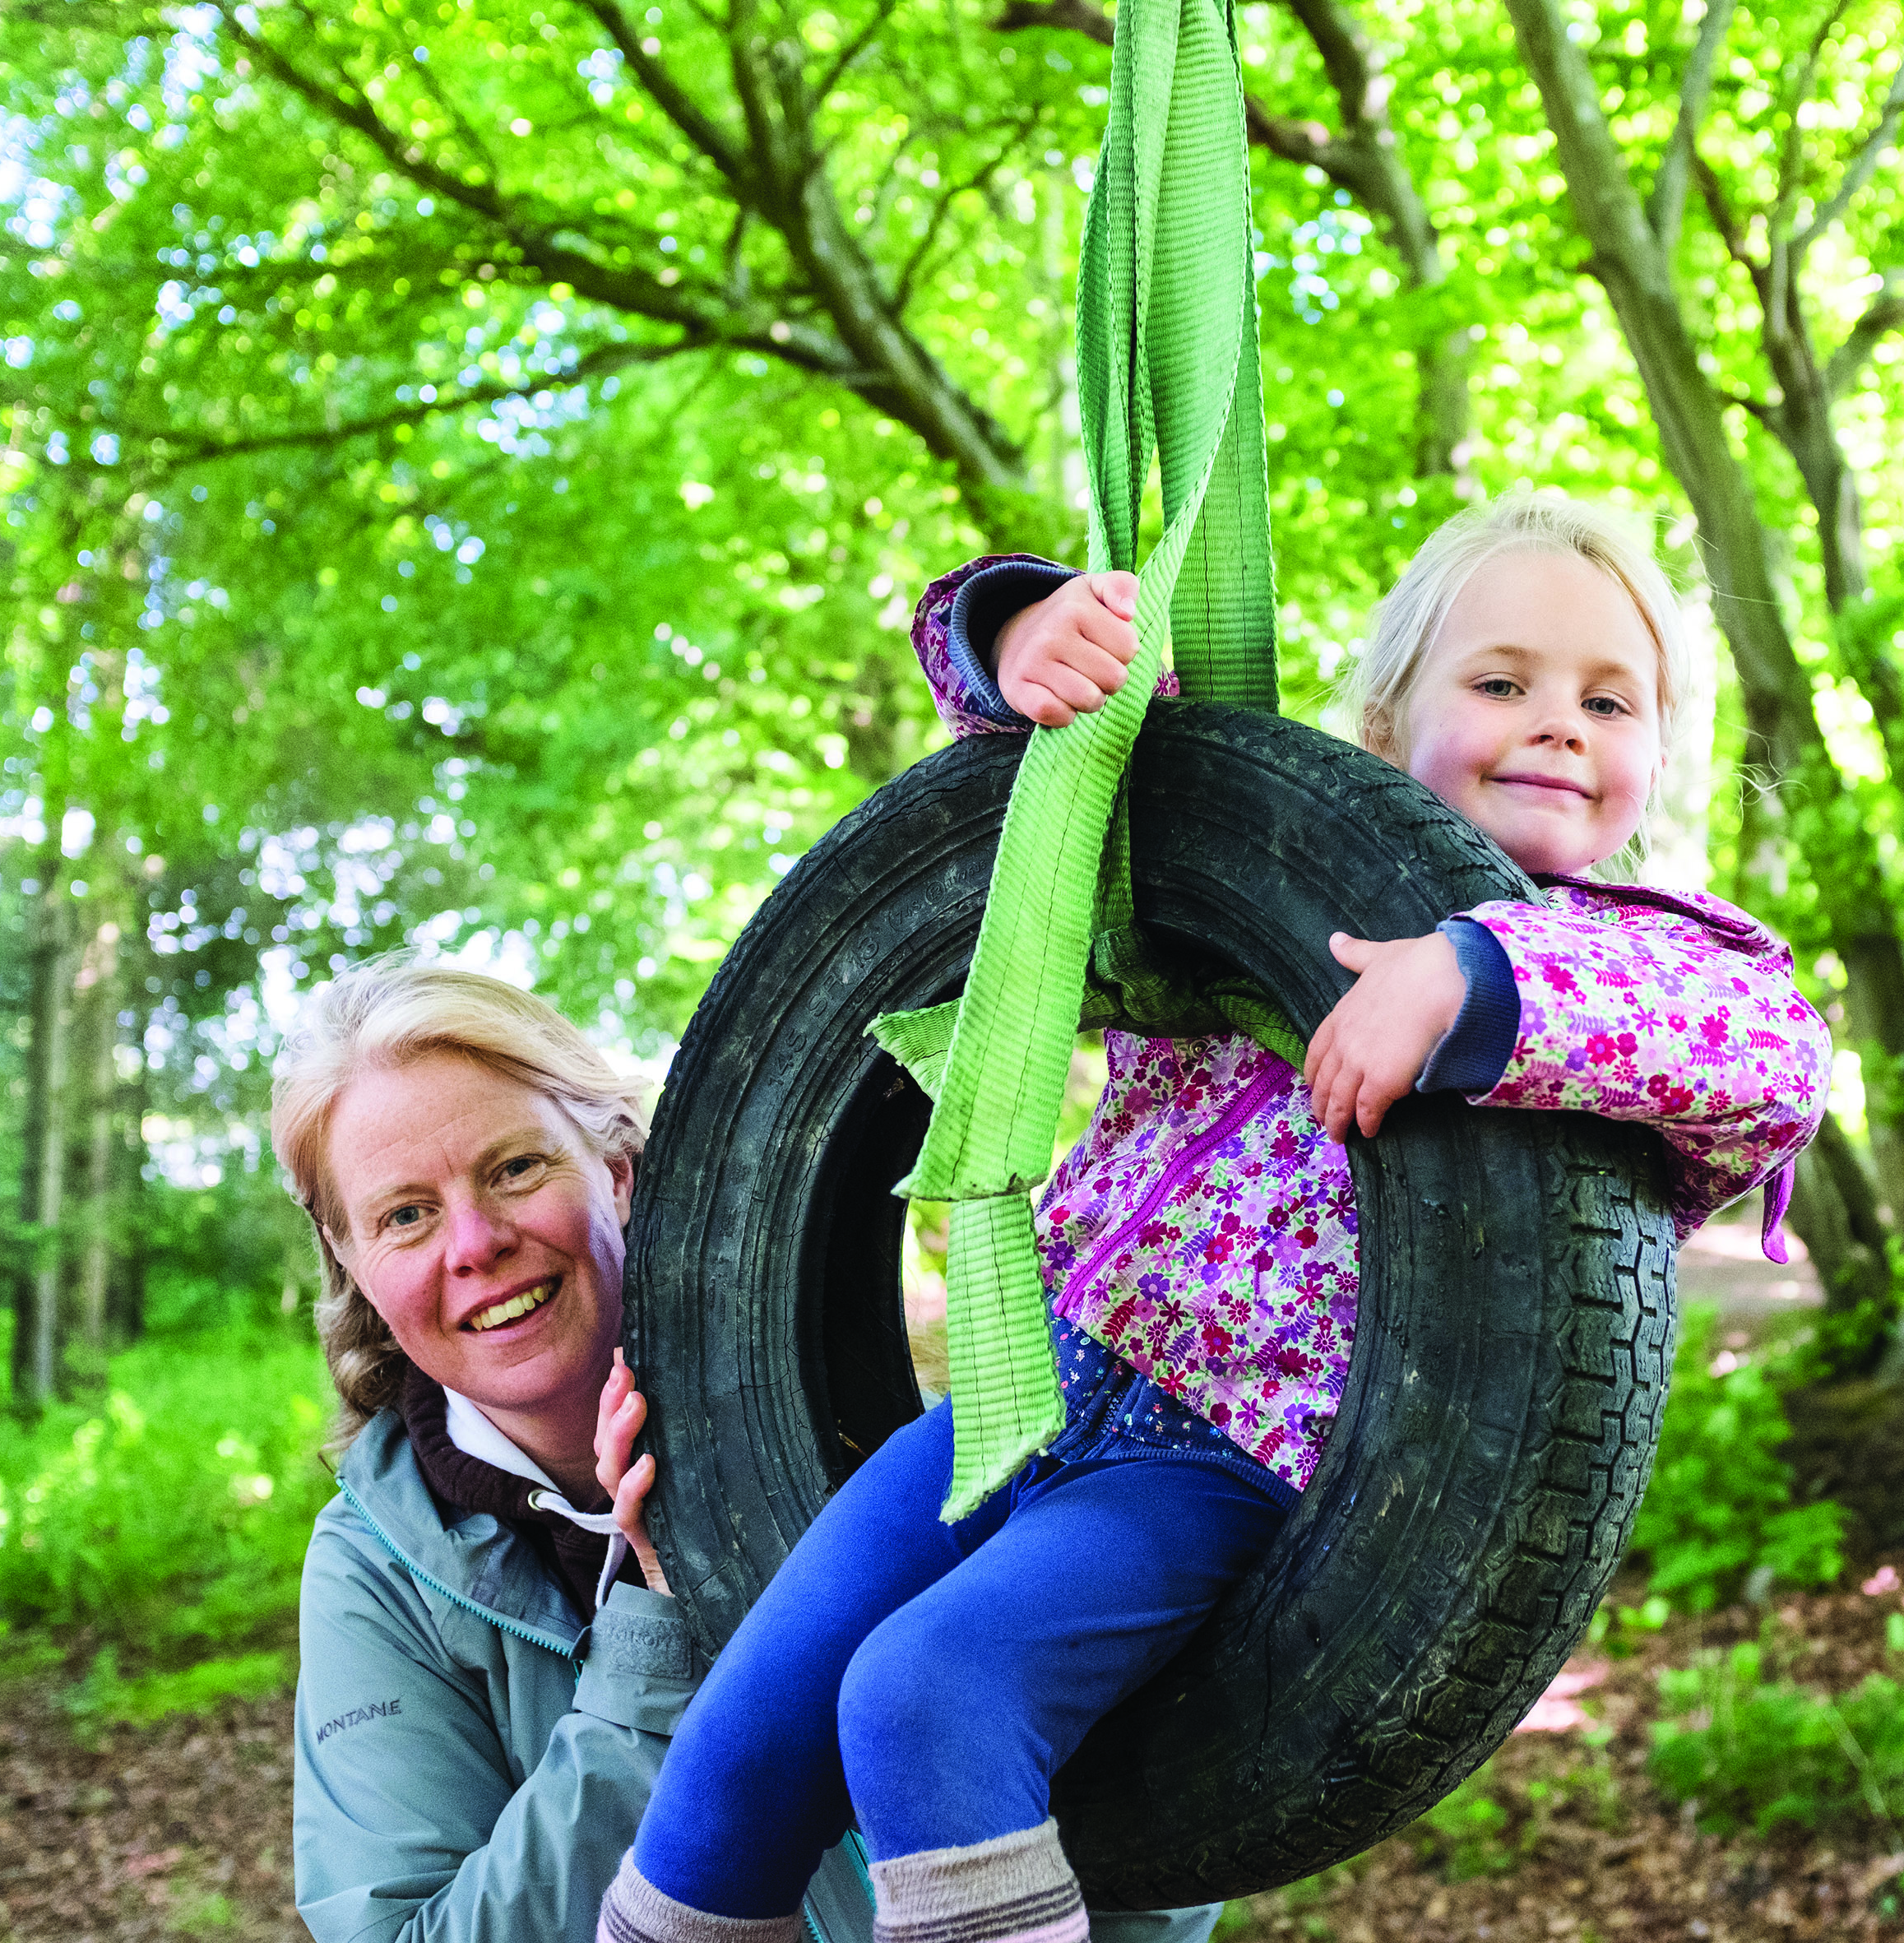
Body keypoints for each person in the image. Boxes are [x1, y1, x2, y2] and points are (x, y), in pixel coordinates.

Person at [599, 494, 1834, 1943]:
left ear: (1655, 755)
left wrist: (1472, 981)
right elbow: (1078, 766)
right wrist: (1022, 632)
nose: (1556, 724)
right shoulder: (1252, 865)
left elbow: (1769, 1053)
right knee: (754, 1712)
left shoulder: (1634, 957)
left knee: (927, 1690)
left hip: (1222, 1465)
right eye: (1499, 682)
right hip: (1022, 1385)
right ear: (1382, 723)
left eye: (1607, 699)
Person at [276, 958, 1223, 1943]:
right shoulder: (379, 1567)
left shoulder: (905, 1424)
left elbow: (1152, 1828)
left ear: (617, 1170)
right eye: (405, 1215)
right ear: (352, 1260)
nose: (473, 1242)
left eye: (515, 1168)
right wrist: (661, 1630)